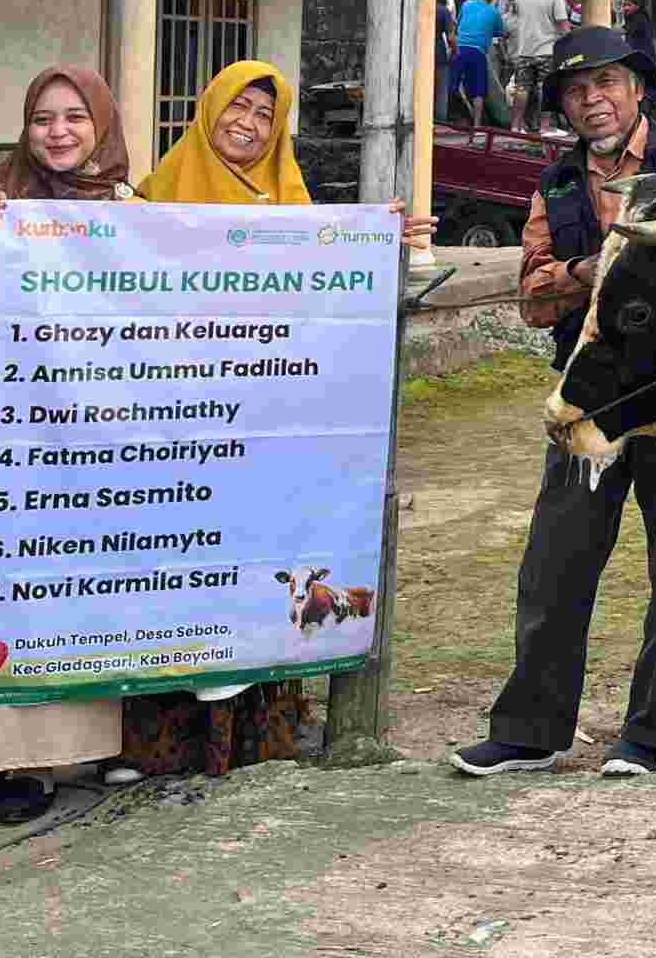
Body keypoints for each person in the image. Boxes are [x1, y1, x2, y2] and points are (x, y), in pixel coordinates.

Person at [117, 62, 430, 780]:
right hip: (177, 424)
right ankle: (157, 743)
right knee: (178, 572)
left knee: (257, 570)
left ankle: (258, 738)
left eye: (265, 114)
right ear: (208, 108)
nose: (248, 124)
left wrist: (380, 238)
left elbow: (327, 282)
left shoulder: (292, 203)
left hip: (263, 427)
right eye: (238, 106)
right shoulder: (156, 194)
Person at [456, 27, 656, 783]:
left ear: (638, 89)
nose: (594, 100)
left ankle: (653, 732)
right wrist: (592, 266)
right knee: (555, 561)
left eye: (607, 83)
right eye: (577, 92)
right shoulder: (557, 188)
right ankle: (530, 731)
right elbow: (532, 297)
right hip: (589, 400)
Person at [0, 68, 129, 826]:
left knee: (63, 600)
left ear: (101, 125)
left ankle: (44, 764)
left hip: (85, 448)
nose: (57, 132)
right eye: (42, 118)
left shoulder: (130, 212)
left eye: (75, 117)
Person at [508, 0, 571, 134]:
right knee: (545, 87)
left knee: (522, 88)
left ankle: (516, 127)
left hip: (524, 50)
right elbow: (563, 25)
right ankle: (545, 127)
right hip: (547, 51)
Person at [452, 0, 508, 134]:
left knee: (453, 86)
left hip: (459, 48)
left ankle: (450, 120)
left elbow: (459, 22)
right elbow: (500, 33)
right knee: (478, 91)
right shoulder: (493, 11)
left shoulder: (466, 5)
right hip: (477, 51)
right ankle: (477, 126)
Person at [433, 0, 455, 123]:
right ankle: (440, 121)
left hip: (420, 53)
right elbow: (451, 37)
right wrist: (455, 51)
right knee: (441, 89)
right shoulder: (443, 11)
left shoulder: (420, 7)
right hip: (439, 53)